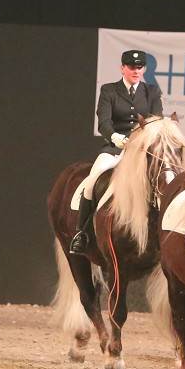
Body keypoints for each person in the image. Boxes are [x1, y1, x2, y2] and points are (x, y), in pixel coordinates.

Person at [69, 49, 163, 255]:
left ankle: (164, 233)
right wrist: (115, 137)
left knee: (162, 178)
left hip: (141, 151)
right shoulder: (109, 90)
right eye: (131, 67)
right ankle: (81, 233)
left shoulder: (152, 92)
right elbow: (103, 121)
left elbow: (157, 121)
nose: (136, 70)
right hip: (114, 148)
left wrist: (141, 141)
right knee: (93, 179)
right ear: (123, 68)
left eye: (139, 67)